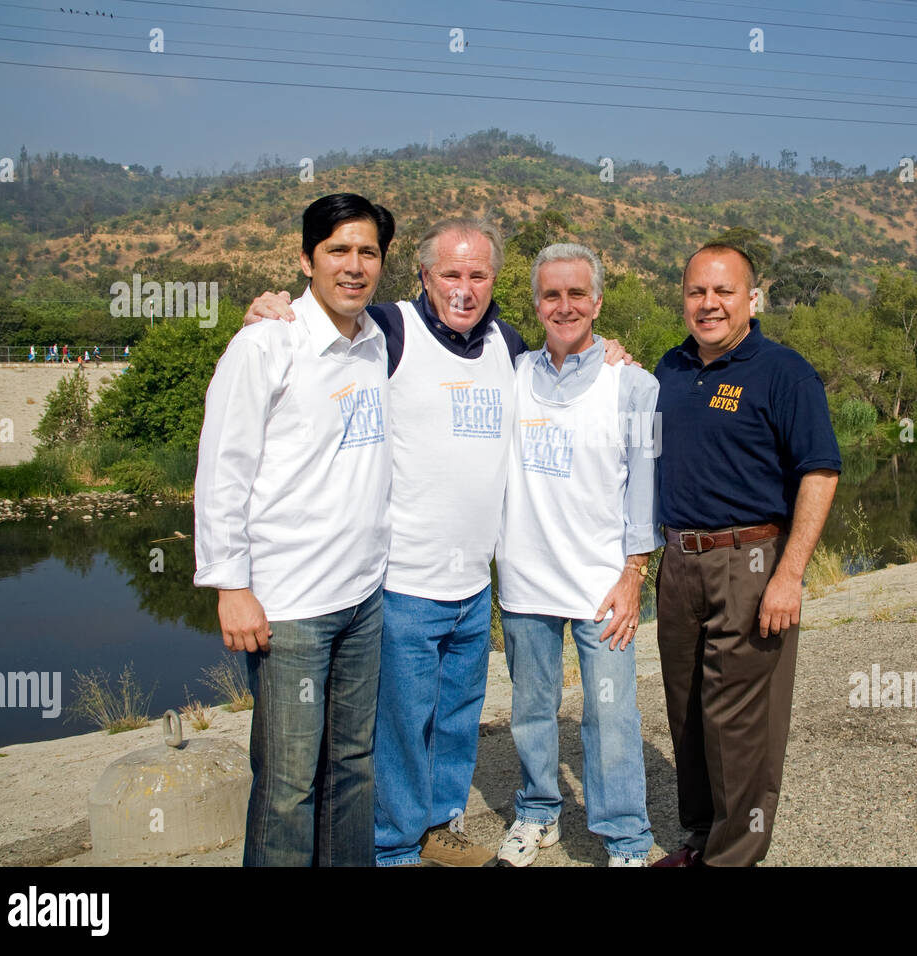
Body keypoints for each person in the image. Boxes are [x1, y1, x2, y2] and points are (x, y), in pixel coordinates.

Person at [245, 218, 633, 867]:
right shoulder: (389, 330)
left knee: (454, 719)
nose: (464, 287)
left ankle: (438, 824)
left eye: (478, 274)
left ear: (494, 282)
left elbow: (567, 360)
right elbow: (324, 321)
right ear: (424, 276)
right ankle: (392, 845)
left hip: (474, 586)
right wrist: (276, 307)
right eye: (450, 273)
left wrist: (608, 350)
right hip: (401, 582)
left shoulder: (507, 345)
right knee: (398, 725)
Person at [194, 193, 396, 866]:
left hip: (363, 599)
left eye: (368, 251)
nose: (354, 265)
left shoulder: (376, 342)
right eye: (338, 250)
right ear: (306, 258)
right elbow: (223, 467)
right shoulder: (265, 344)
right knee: (286, 786)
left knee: (353, 765)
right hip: (289, 610)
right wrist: (231, 585)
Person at [651, 242, 842, 868]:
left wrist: (790, 575)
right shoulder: (669, 370)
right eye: (696, 292)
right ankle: (702, 838)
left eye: (723, 291)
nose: (708, 304)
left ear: (751, 299)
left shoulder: (783, 371)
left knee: (740, 724)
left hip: (751, 564)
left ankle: (734, 858)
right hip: (678, 563)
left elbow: (819, 472)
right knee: (687, 714)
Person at [494, 243, 660, 867]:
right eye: (550, 294)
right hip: (525, 580)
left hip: (603, 586)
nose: (564, 306)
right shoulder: (509, 373)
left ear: (597, 301)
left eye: (576, 294)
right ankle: (538, 813)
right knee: (532, 709)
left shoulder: (635, 384)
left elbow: (645, 483)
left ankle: (624, 839)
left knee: (610, 716)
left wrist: (635, 572)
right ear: (535, 303)